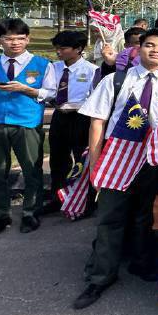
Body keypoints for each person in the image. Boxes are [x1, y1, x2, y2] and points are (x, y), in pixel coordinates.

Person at [73, 28, 158, 309]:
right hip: (116, 157)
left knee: (145, 217)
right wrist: (95, 163)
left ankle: (142, 264)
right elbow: (97, 121)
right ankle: (100, 276)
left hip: (152, 161)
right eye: (149, 45)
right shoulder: (116, 80)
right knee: (110, 218)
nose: (154, 50)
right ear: (137, 49)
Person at [0, 18, 57, 237]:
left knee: (32, 170)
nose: (15, 43)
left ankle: (31, 212)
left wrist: (28, 90)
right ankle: (0, 216)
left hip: (27, 122)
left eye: (21, 38)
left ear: (28, 39)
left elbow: (51, 93)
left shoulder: (42, 64)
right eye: (9, 38)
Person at [45, 30, 98, 213]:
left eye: (64, 48)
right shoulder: (54, 68)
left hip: (81, 118)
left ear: (79, 49)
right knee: (58, 158)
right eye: (57, 48)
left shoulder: (92, 70)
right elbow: (49, 91)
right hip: (60, 116)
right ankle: (57, 197)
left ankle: (84, 199)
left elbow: (95, 97)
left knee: (81, 158)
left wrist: (78, 106)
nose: (59, 52)